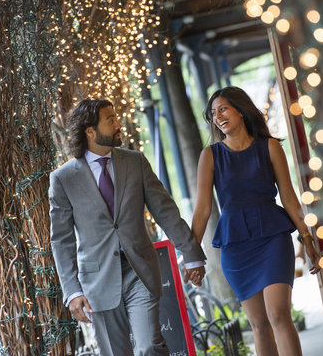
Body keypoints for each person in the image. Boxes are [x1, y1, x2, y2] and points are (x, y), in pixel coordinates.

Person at [49, 99, 206, 356]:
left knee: (148, 347)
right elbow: (61, 240)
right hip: (97, 281)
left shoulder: (135, 162)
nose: (118, 124)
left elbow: (165, 211)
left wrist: (191, 254)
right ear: (90, 131)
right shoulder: (63, 178)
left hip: (140, 271)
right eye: (110, 120)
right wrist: (72, 291)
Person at [190, 87, 320, 355]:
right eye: (213, 113)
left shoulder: (269, 147)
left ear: (240, 109)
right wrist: (192, 256)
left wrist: (306, 237)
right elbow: (202, 210)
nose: (218, 116)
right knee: (259, 325)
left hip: (272, 237)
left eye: (223, 109)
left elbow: (290, 199)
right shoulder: (210, 156)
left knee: (278, 314)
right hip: (235, 246)